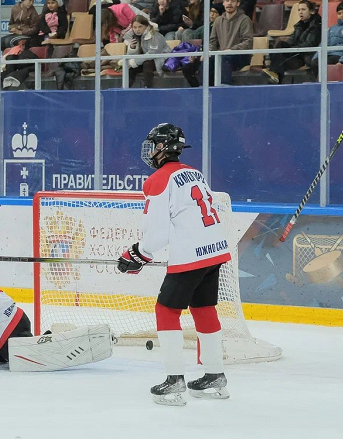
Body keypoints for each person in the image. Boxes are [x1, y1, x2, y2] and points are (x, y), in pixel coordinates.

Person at [117, 123, 231, 406]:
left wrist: (137, 254)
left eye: (154, 145)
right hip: (215, 251)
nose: (150, 151)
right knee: (204, 308)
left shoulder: (157, 180)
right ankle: (215, 375)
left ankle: (174, 381)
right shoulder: (194, 172)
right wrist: (141, 254)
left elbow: (157, 235)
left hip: (191, 256)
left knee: (166, 310)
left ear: (163, 148)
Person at [182, 0, 253, 87]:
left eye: (233, 1)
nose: (229, 3)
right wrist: (208, 52)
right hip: (221, 54)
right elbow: (213, 41)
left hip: (239, 55)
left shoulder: (245, 20)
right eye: (227, 1)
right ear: (223, 3)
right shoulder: (218, 20)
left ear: (238, 3)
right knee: (190, 66)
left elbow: (248, 42)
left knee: (223, 59)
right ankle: (202, 89)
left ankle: (223, 89)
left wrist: (232, 50)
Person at [262, 0, 321, 84]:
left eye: (303, 10)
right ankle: (275, 75)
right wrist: (287, 48)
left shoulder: (316, 25)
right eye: (299, 10)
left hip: (304, 57)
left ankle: (275, 75)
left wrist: (291, 50)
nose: (300, 12)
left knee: (279, 58)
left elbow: (309, 44)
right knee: (280, 44)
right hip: (296, 54)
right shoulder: (299, 25)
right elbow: (291, 40)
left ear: (311, 11)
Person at [310, 1, 343, 78]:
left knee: (326, 63)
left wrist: (342, 61)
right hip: (329, 54)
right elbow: (324, 44)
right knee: (314, 63)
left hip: (341, 56)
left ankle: (329, 86)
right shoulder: (333, 28)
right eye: (339, 13)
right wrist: (316, 57)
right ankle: (319, 85)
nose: (341, 15)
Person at [122, 15, 172, 88]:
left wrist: (135, 62)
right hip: (145, 59)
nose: (137, 30)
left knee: (147, 64)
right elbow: (131, 58)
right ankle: (126, 89)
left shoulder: (155, 36)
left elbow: (152, 54)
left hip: (161, 59)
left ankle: (147, 88)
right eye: (135, 27)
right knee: (131, 68)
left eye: (140, 27)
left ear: (146, 26)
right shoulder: (133, 36)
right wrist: (132, 48)